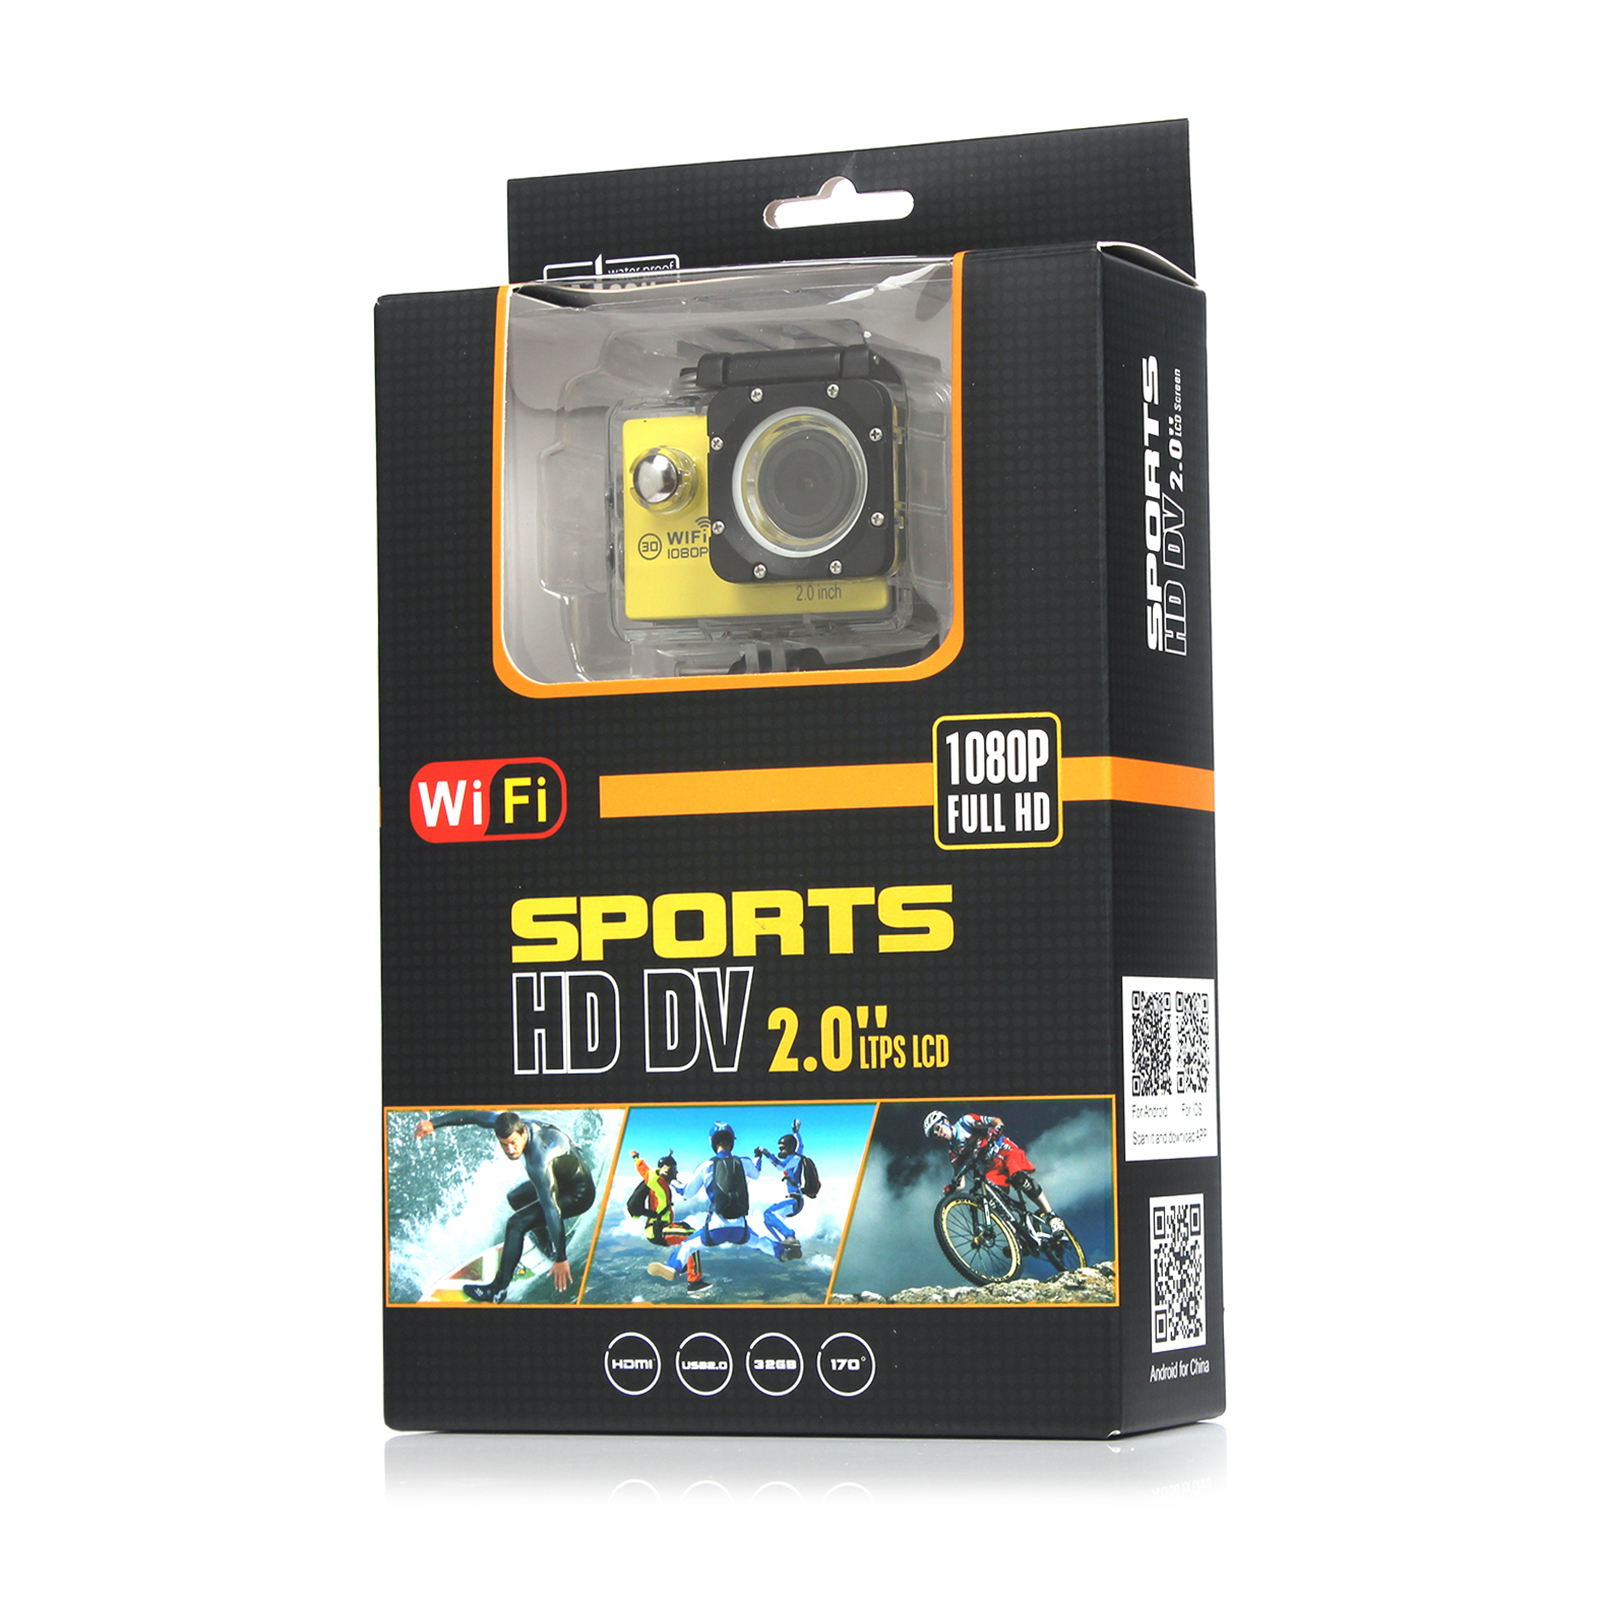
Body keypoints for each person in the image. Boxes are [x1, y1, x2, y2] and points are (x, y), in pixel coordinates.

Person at [414, 1110, 594, 1300]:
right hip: (562, 1176)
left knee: (516, 1224)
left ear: (523, 1133)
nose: (510, 1150)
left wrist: (561, 1259)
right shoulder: (511, 1124)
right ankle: (547, 1244)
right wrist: (434, 1123)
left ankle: (497, 1290)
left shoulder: (537, 1162)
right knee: (515, 1198)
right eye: (504, 1144)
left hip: (579, 1194)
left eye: (514, 1143)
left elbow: (551, 1208)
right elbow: (474, 1116)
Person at [646, 1121, 783, 1293]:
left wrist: (672, 1181)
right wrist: (758, 1157)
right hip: (740, 1228)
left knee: (687, 1246)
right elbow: (756, 1174)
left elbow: (686, 1193)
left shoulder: (706, 1166)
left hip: (715, 1229)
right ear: (732, 1141)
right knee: (760, 1242)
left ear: (713, 1142)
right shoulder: (744, 1162)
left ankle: (673, 1267)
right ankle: (781, 1252)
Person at [923, 1110, 1068, 1236]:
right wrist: (950, 1189)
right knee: (990, 1198)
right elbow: (961, 1183)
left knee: (1019, 1179)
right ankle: (1015, 1236)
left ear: (946, 1121)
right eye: (934, 1135)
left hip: (1005, 1151)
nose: (938, 1134)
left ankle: (1052, 1216)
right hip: (992, 1166)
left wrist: (997, 1129)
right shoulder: (954, 1152)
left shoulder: (966, 1122)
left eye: (938, 1128)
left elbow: (996, 1121)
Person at [751, 1118, 806, 1261]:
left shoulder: (794, 1159)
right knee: (768, 1220)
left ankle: (790, 1237)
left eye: (782, 1148)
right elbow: (800, 1145)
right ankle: (787, 1248)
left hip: (795, 1200)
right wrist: (796, 1132)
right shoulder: (796, 1155)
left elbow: (781, 1166)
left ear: (789, 1147)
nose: (780, 1151)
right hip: (794, 1199)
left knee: (768, 1213)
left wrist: (767, 1154)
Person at [626, 1148, 685, 1247]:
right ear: (667, 1170)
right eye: (674, 1169)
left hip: (662, 1227)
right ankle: (683, 1257)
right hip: (656, 1230)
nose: (676, 1172)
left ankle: (682, 1256)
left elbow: (644, 1170)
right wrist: (658, 1172)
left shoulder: (663, 1183)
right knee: (692, 1235)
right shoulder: (657, 1181)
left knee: (686, 1230)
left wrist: (636, 1158)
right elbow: (647, 1173)